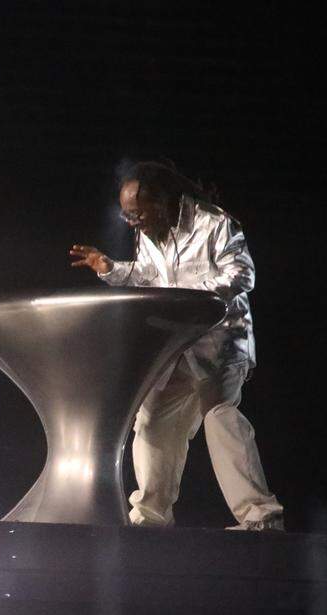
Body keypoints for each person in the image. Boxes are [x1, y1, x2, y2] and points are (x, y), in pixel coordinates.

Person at [69, 161, 283, 530]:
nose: (132, 222)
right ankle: (151, 518)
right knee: (151, 422)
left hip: (219, 344)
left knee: (220, 418)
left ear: (161, 201)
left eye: (136, 213)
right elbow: (151, 276)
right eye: (126, 216)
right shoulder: (151, 232)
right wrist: (111, 269)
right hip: (176, 348)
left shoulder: (214, 223)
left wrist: (190, 300)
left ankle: (261, 518)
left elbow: (242, 273)